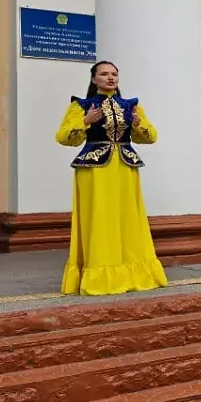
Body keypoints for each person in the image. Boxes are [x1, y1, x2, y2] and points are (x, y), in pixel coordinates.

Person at [55, 60, 167, 296]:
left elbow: (150, 137)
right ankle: (100, 275)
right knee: (100, 217)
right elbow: (64, 137)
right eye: (104, 74)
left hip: (125, 167)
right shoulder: (82, 105)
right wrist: (85, 121)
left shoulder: (131, 105)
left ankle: (132, 272)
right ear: (94, 79)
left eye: (114, 74)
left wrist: (138, 124)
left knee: (128, 217)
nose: (110, 78)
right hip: (94, 170)